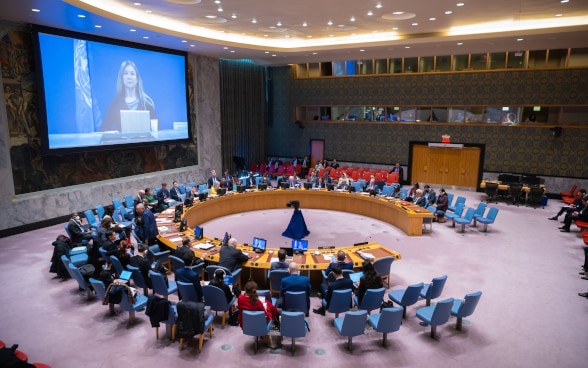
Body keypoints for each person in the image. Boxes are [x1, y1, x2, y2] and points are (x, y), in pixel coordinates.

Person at [101, 60, 157, 132]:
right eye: (125, 73)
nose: (129, 77)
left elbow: (158, 129)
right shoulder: (115, 103)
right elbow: (104, 128)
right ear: (122, 78)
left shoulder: (147, 103)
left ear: (137, 79)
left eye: (132, 74)